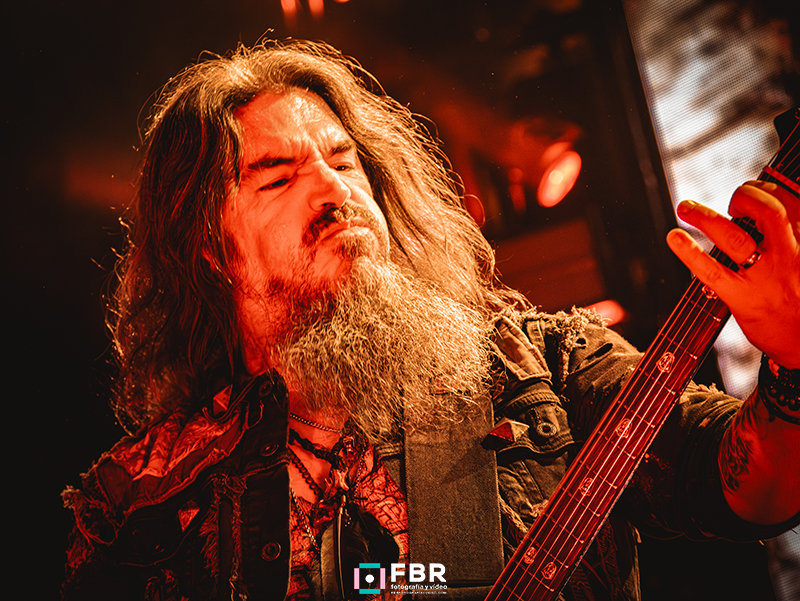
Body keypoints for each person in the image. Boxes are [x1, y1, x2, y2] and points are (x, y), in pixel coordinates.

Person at [62, 39, 799, 601]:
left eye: (346, 162)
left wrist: (794, 362)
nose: (335, 190)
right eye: (279, 178)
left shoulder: (545, 366)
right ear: (208, 244)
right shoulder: (139, 501)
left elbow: (753, 490)